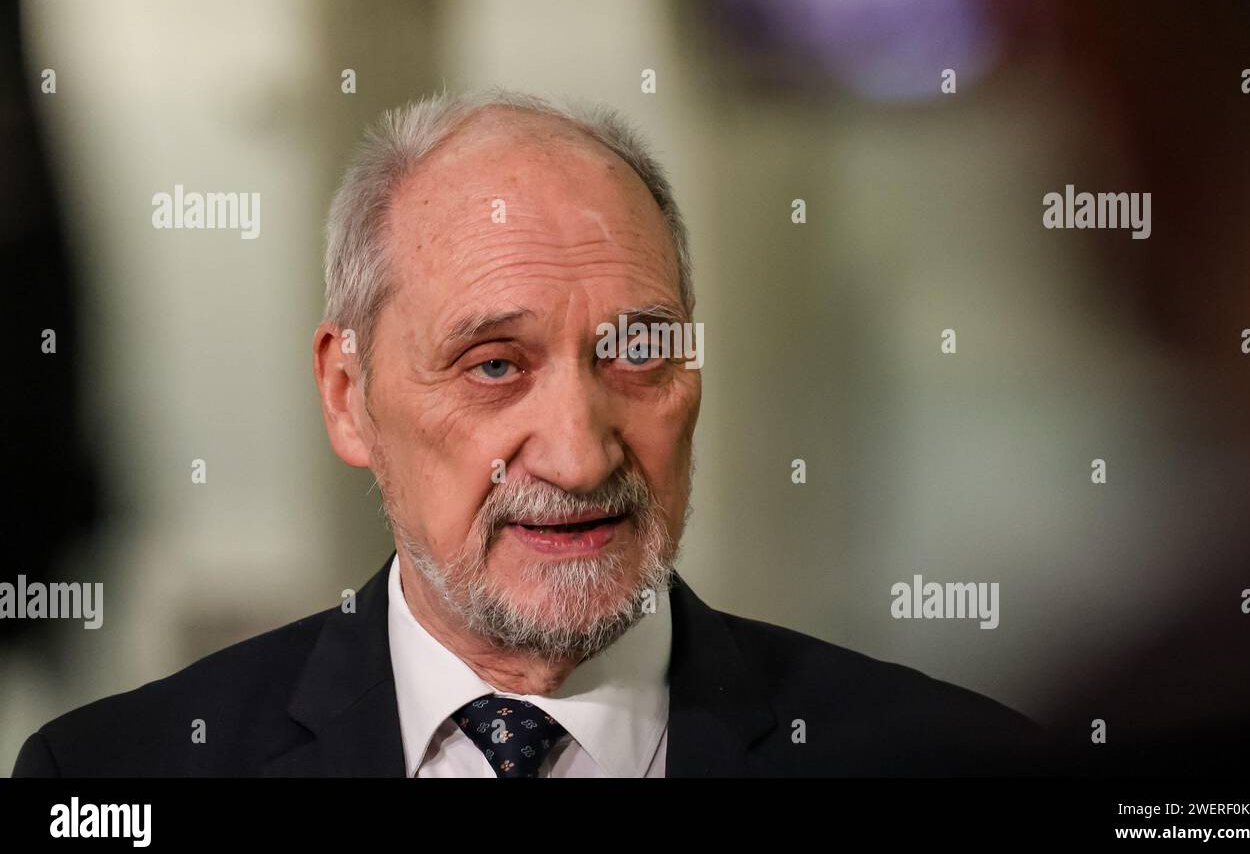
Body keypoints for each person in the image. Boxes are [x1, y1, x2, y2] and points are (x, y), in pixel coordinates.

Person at [13, 89, 1040, 777]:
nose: (582, 453)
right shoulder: (118, 776)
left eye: (635, 351)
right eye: (495, 364)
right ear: (347, 392)